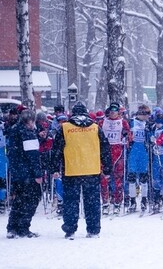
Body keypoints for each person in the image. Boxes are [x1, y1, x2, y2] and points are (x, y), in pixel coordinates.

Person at [53, 102, 112, 239]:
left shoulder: (65, 128)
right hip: (91, 170)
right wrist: (107, 169)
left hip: (71, 170)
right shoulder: (95, 128)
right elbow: (105, 149)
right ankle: (93, 229)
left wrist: (54, 167)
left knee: (71, 202)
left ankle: (70, 229)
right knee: (92, 202)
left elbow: (57, 150)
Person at [5, 110, 42, 238]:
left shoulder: (13, 130)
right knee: (32, 199)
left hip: (16, 172)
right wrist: (38, 174)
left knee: (19, 200)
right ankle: (23, 227)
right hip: (28, 173)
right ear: (30, 121)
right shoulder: (28, 133)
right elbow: (33, 155)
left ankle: (12, 227)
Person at [98, 102, 131, 215]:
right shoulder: (102, 122)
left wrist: (126, 138)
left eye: (115, 110)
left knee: (118, 180)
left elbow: (129, 135)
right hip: (105, 152)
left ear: (118, 111)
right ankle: (105, 203)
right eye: (111, 111)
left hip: (118, 152)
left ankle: (117, 202)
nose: (113, 113)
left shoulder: (123, 122)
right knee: (104, 179)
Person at [126, 105, 152, 214]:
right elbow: (126, 133)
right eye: (146, 114)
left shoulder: (149, 124)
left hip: (143, 151)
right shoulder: (131, 122)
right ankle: (132, 201)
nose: (147, 117)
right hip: (133, 151)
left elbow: (151, 135)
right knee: (131, 177)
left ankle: (144, 200)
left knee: (143, 178)